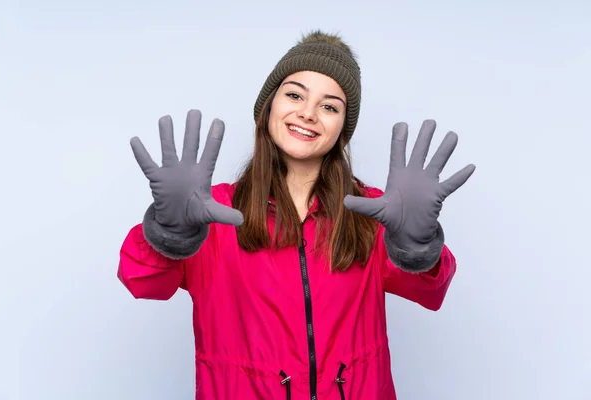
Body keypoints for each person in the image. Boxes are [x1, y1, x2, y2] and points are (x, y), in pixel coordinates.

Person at [118, 30, 475, 400]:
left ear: (341, 128)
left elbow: (431, 292)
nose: (307, 113)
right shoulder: (212, 213)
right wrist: (167, 231)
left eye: (330, 106)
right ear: (269, 105)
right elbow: (142, 281)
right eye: (294, 95)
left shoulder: (372, 212)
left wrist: (419, 242)